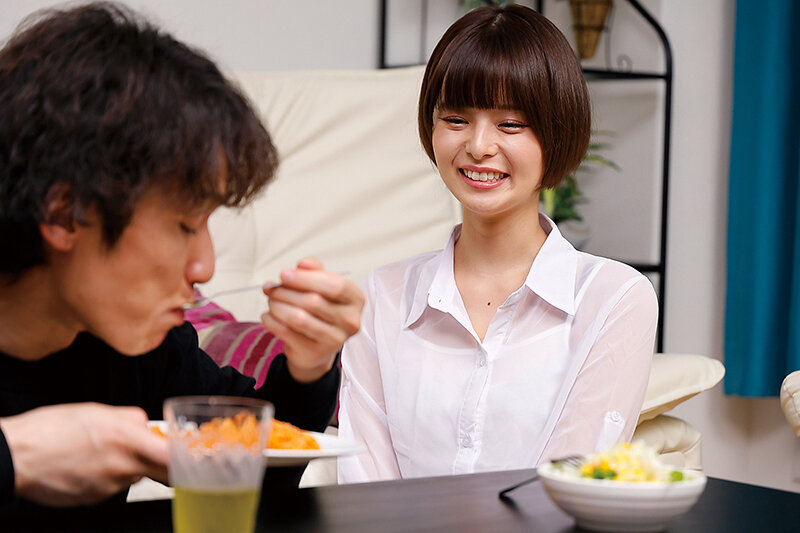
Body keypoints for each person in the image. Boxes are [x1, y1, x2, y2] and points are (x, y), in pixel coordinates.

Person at [0, 2, 363, 510]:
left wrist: (309, 365)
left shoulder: (136, 344)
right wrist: (17, 457)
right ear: (64, 213)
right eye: (186, 225)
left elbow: (254, 472)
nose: (205, 267)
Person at [338, 4, 658, 483]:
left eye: (510, 124)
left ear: (557, 133)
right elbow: (363, 484)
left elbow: (569, 484)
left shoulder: (614, 299)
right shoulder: (382, 297)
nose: (479, 146)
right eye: (456, 119)